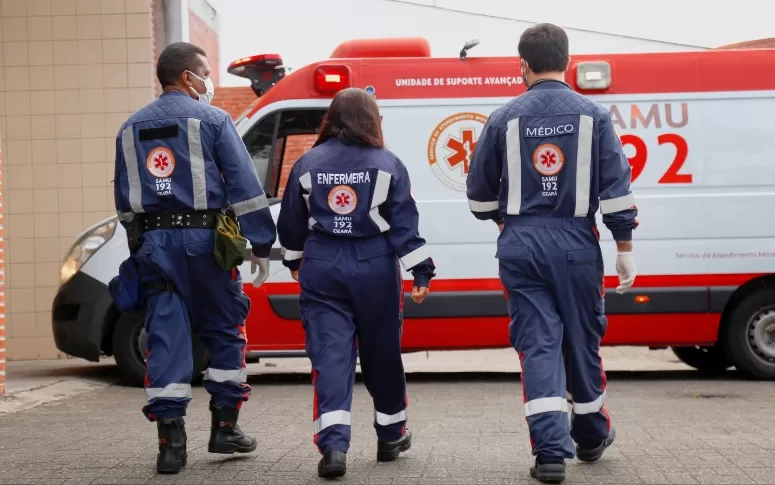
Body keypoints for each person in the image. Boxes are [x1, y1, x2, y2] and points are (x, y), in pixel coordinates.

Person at [465, 23, 637, 484]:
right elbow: (617, 192)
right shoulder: (594, 116)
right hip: (578, 245)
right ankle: (591, 435)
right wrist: (624, 247)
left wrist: (507, 222)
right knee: (582, 339)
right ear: (568, 60)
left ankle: (550, 454)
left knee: (538, 344)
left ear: (521, 65)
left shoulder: (503, 118)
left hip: (520, 246)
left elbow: (479, 196)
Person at [112, 42, 277, 474]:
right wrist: (261, 243)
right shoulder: (214, 120)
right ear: (189, 77)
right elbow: (244, 186)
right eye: (205, 72)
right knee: (225, 327)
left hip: (154, 245)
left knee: (165, 333)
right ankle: (224, 428)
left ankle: (171, 446)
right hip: (207, 244)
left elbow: (124, 203)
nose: (209, 82)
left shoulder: (130, 128)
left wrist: (142, 247)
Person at [276, 87, 435, 479]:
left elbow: (291, 223)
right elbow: (404, 226)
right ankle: (391, 435)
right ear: (371, 120)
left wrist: (294, 260)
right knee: (382, 354)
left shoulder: (307, 163)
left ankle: (333, 448)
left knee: (331, 356)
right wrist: (421, 272)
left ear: (332, 118)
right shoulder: (388, 163)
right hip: (375, 266)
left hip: (323, 265)